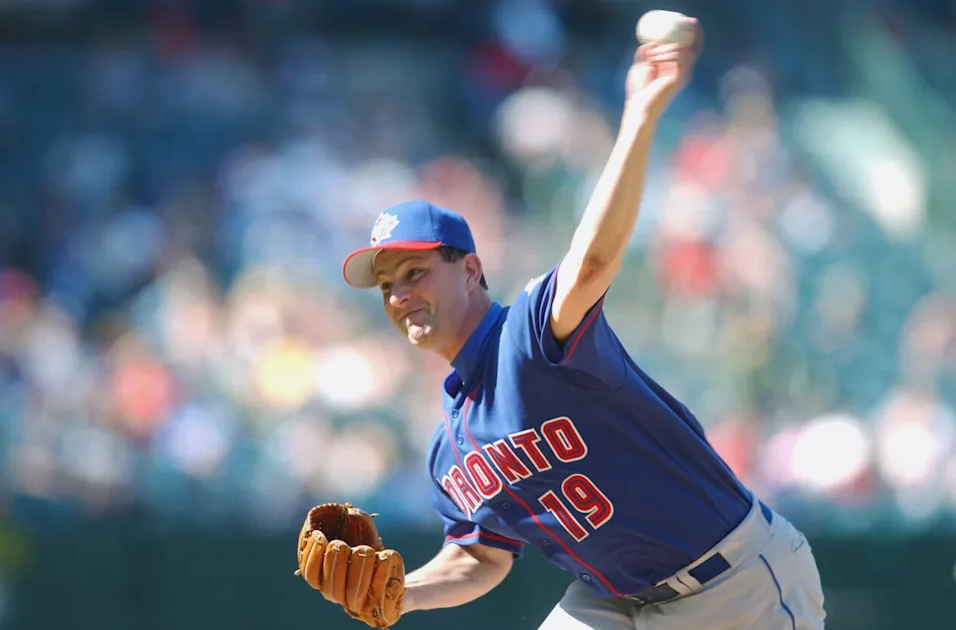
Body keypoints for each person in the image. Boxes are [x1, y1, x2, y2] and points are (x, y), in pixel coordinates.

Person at [336, 17, 826, 630]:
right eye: (387, 287)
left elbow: (593, 261)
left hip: (729, 584)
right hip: (613, 603)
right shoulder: (449, 446)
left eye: (415, 273)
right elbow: (479, 559)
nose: (400, 295)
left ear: (469, 270)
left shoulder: (531, 337)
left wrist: (639, 118)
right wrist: (398, 592)